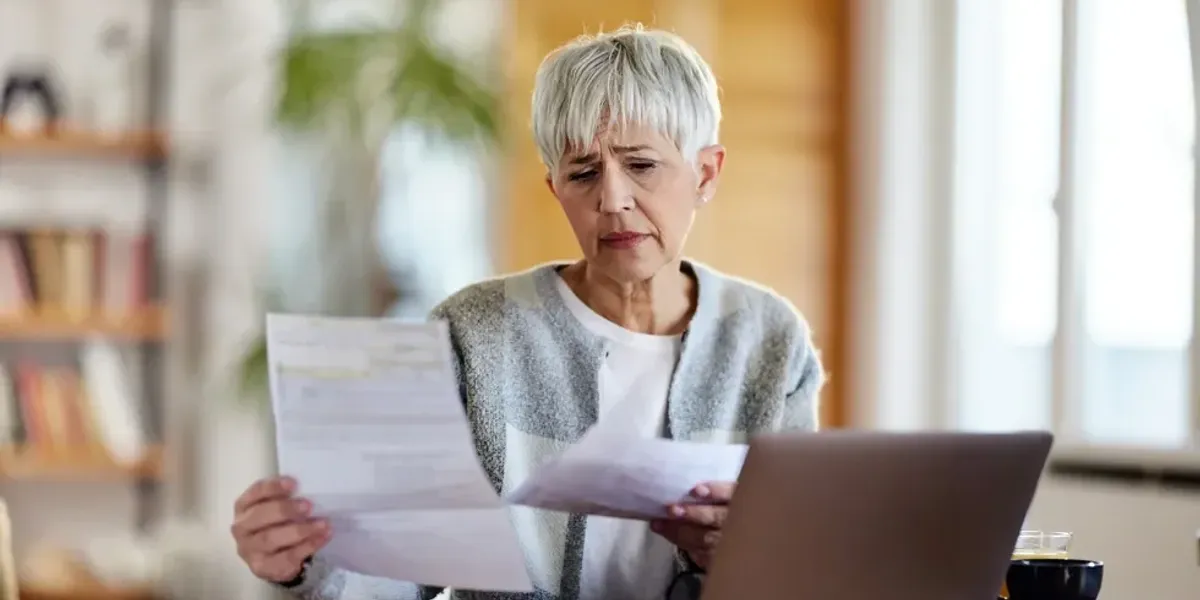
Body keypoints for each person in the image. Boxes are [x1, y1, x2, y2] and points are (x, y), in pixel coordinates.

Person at [230, 23, 824, 600]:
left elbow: (803, 566)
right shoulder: (474, 332)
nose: (612, 199)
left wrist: (746, 555)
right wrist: (306, 561)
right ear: (555, 188)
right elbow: (396, 571)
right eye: (583, 173)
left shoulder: (769, 339)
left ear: (706, 173)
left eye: (641, 165)